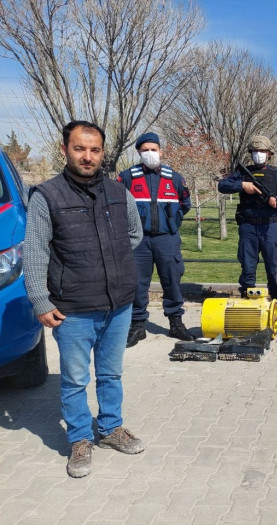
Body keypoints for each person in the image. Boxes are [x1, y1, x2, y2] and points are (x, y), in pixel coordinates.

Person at [24, 121, 146, 478]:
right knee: (75, 378)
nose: (87, 156)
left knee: (111, 373)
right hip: (73, 308)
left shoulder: (118, 191)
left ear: (103, 153)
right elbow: (34, 253)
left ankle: (110, 429)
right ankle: (79, 438)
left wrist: (112, 262)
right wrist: (40, 301)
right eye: (80, 149)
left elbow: (134, 234)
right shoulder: (47, 196)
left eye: (94, 150)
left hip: (118, 303)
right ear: (64, 150)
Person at [117, 132, 194, 347]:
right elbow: (116, 206)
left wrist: (172, 220)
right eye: (145, 150)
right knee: (137, 283)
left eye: (154, 149)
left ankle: (176, 323)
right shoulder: (127, 177)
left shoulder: (175, 178)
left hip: (166, 239)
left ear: (161, 151)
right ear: (139, 152)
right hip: (138, 241)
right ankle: (137, 325)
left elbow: (185, 204)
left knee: (172, 280)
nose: (150, 153)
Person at [218, 135, 277, 315]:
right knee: (247, 266)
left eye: (262, 151)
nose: (258, 154)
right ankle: (247, 304)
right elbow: (223, 185)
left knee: (274, 267)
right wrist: (242, 185)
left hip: (270, 227)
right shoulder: (243, 173)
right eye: (255, 151)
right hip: (248, 227)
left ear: (269, 153)